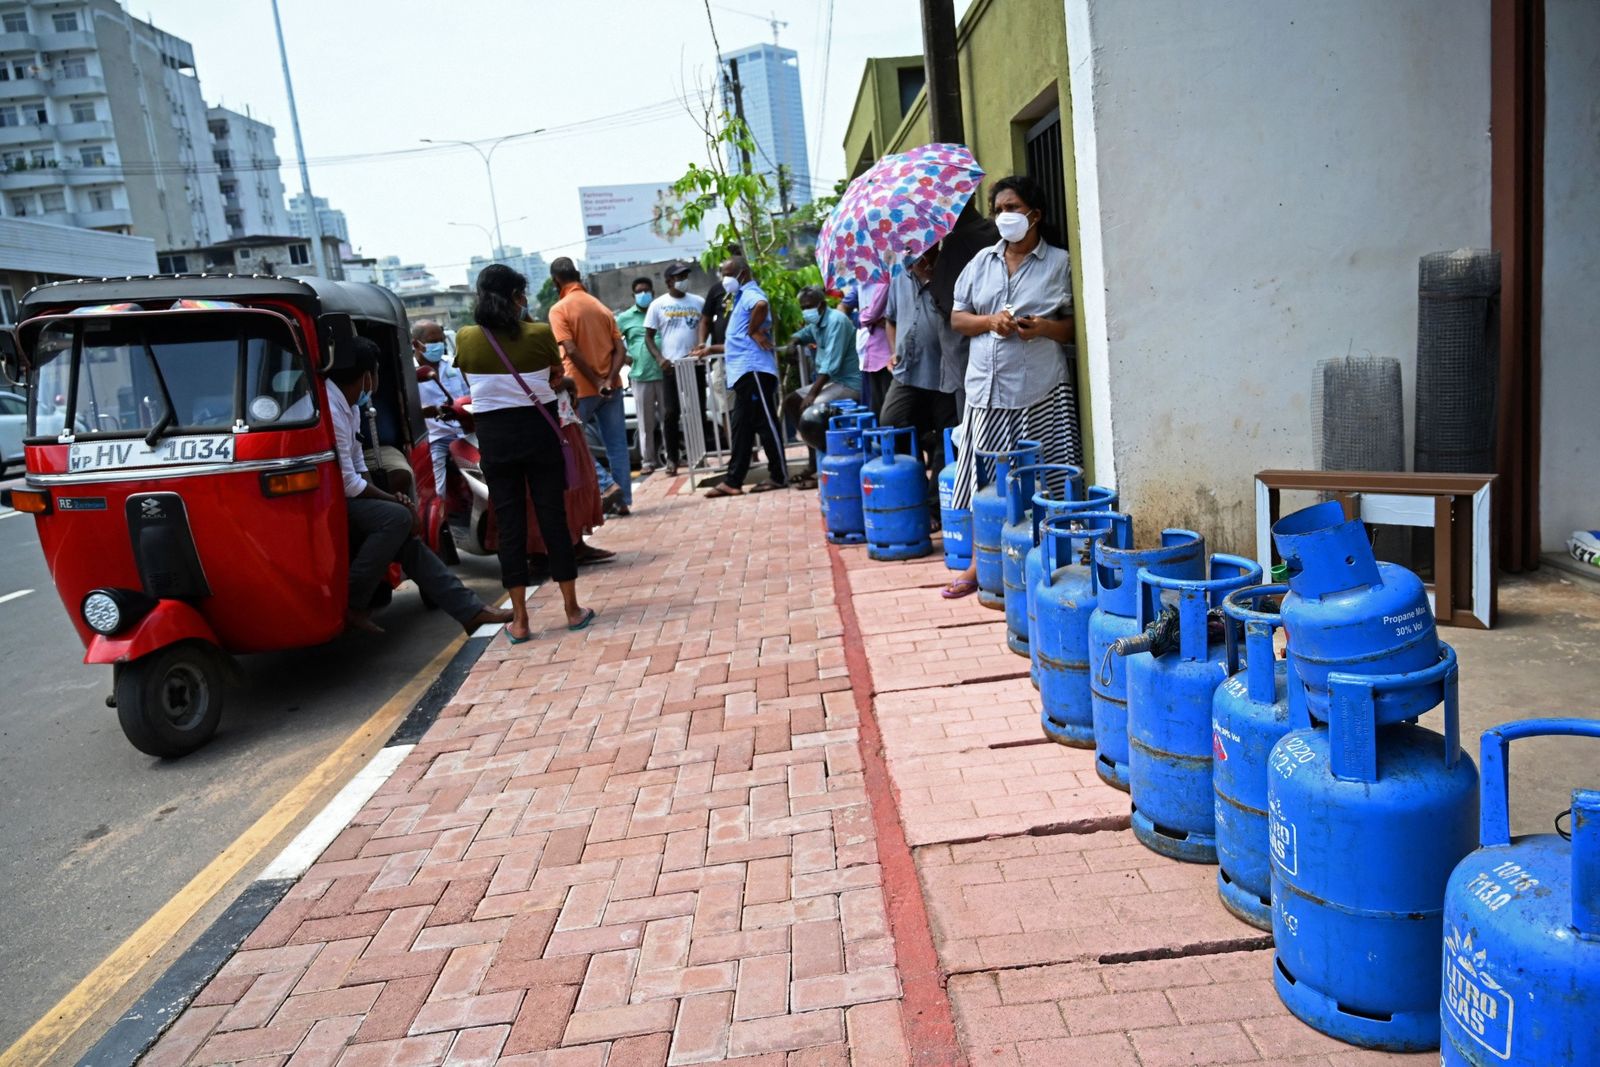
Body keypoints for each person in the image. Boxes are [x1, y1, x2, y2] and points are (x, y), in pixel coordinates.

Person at [942, 174, 1082, 599]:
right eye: (998, 210)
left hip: (1040, 388)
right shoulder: (981, 262)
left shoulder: (1059, 263)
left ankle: (1054, 560)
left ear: (1034, 215)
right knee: (982, 477)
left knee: (1048, 477)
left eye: (1012, 208)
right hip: (987, 389)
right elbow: (957, 318)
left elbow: (1074, 327)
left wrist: (1043, 328)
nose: (1004, 216)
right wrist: (990, 322)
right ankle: (977, 563)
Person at [326, 337, 512, 636]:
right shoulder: (332, 407)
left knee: (407, 538)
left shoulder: (350, 407)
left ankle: (470, 611)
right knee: (398, 518)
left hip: (350, 493)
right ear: (367, 376)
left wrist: (390, 499)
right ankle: (354, 601)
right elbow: (349, 482)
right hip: (328, 500)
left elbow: (360, 466)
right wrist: (394, 503)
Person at [453, 264, 596, 637]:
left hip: (496, 442)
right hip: (540, 437)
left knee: (511, 527)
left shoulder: (467, 338)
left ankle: (520, 619)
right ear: (518, 297)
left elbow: (473, 379)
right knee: (553, 520)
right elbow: (553, 375)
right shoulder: (539, 332)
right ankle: (571, 608)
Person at [694, 256, 787, 497]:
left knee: (766, 424)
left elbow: (761, 305)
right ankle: (733, 480)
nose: (724, 279)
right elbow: (736, 342)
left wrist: (754, 329)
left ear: (742, 273)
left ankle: (779, 476)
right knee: (740, 428)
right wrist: (710, 349)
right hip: (742, 372)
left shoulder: (750, 294)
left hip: (754, 370)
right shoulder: (737, 299)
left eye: (727, 273)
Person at [548, 257, 632, 516]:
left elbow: (570, 349)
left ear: (555, 281)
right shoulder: (601, 307)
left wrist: (595, 381)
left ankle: (607, 487)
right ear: (578, 275)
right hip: (612, 386)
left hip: (580, 389)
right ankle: (624, 500)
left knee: (568, 442)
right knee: (617, 445)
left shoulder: (559, 310)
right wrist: (608, 378)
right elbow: (620, 349)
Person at [882, 246, 966, 482]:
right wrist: (892, 351)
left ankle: (936, 503)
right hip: (907, 370)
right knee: (891, 421)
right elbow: (890, 320)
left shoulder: (948, 273)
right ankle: (911, 484)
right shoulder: (899, 276)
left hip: (942, 369)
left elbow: (957, 315)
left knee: (947, 435)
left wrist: (932, 277)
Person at [782, 286, 862, 490]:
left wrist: (812, 394)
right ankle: (813, 459)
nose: (805, 311)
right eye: (802, 307)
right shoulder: (817, 322)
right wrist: (793, 342)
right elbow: (803, 333)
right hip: (832, 382)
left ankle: (824, 467)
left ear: (822, 305)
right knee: (791, 401)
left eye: (809, 307)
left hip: (849, 383)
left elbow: (830, 365)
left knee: (812, 411)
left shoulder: (837, 321)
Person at [645, 261, 704, 475]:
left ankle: (701, 454)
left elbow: (704, 329)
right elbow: (649, 337)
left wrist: (703, 348)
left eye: (685, 276)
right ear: (669, 281)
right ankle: (672, 459)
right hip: (671, 366)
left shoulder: (698, 302)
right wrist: (660, 358)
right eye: (679, 277)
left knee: (698, 410)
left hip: (695, 364)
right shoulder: (658, 305)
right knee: (671, 412)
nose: (683, 281)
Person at [618, 276, 671, 476]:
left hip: (665, 373)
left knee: (669, 417)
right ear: (633, 295)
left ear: (653, 293)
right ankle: (648, 461)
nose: (643, 295)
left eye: (646, 291)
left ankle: (671, 456)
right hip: (640, 376)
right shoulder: (625, 318)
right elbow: (612, 343)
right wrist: (626, 358)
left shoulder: (661, 310)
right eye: (639, 292)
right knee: (645, 422)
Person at [412, 319, 469, 497]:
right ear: (416, 344)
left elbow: (468, 394)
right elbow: (409, 407)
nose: (438, 345)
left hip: (465, 431)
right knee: (438, 488)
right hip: (437, 437)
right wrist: (428, 411)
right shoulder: (409, 373)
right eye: (432, 342)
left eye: (440, 341)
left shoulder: (453, 364)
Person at [856, 279, 894, 416]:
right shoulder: (861, 285)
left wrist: (864, 314)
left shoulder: (884, 281)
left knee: (884, 408)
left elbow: (868, 316)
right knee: (877, 405)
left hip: (884, 353)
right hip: (872, 353)